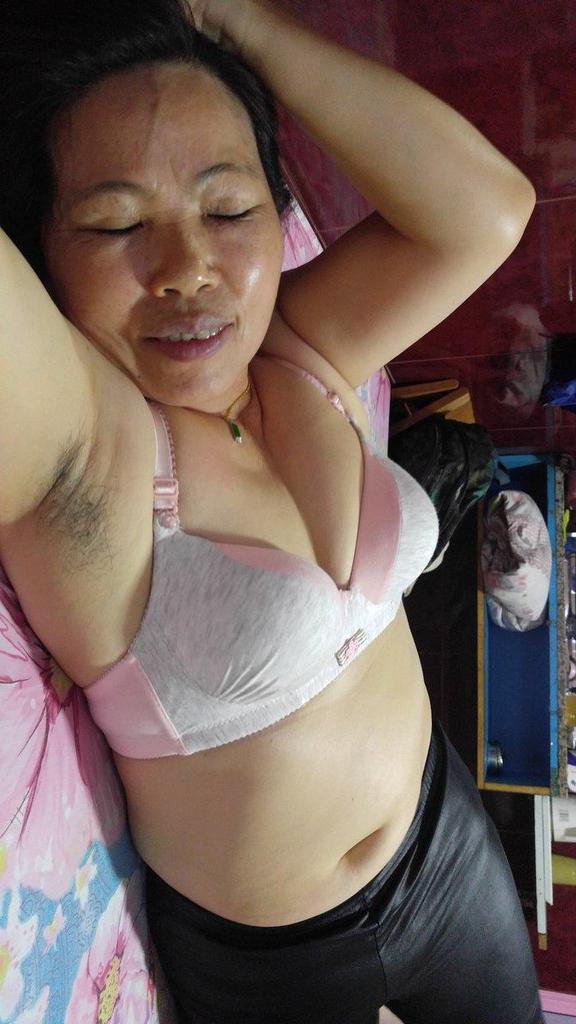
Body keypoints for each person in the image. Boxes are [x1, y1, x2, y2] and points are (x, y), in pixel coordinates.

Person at [0, 0, 542, 1021]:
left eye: (228, 209)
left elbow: (488, 211)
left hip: (447, 844)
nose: (187, 269)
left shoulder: (299, 343)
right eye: (116, 223)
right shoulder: (89, 453)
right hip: (273, 961)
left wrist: (234, 21)